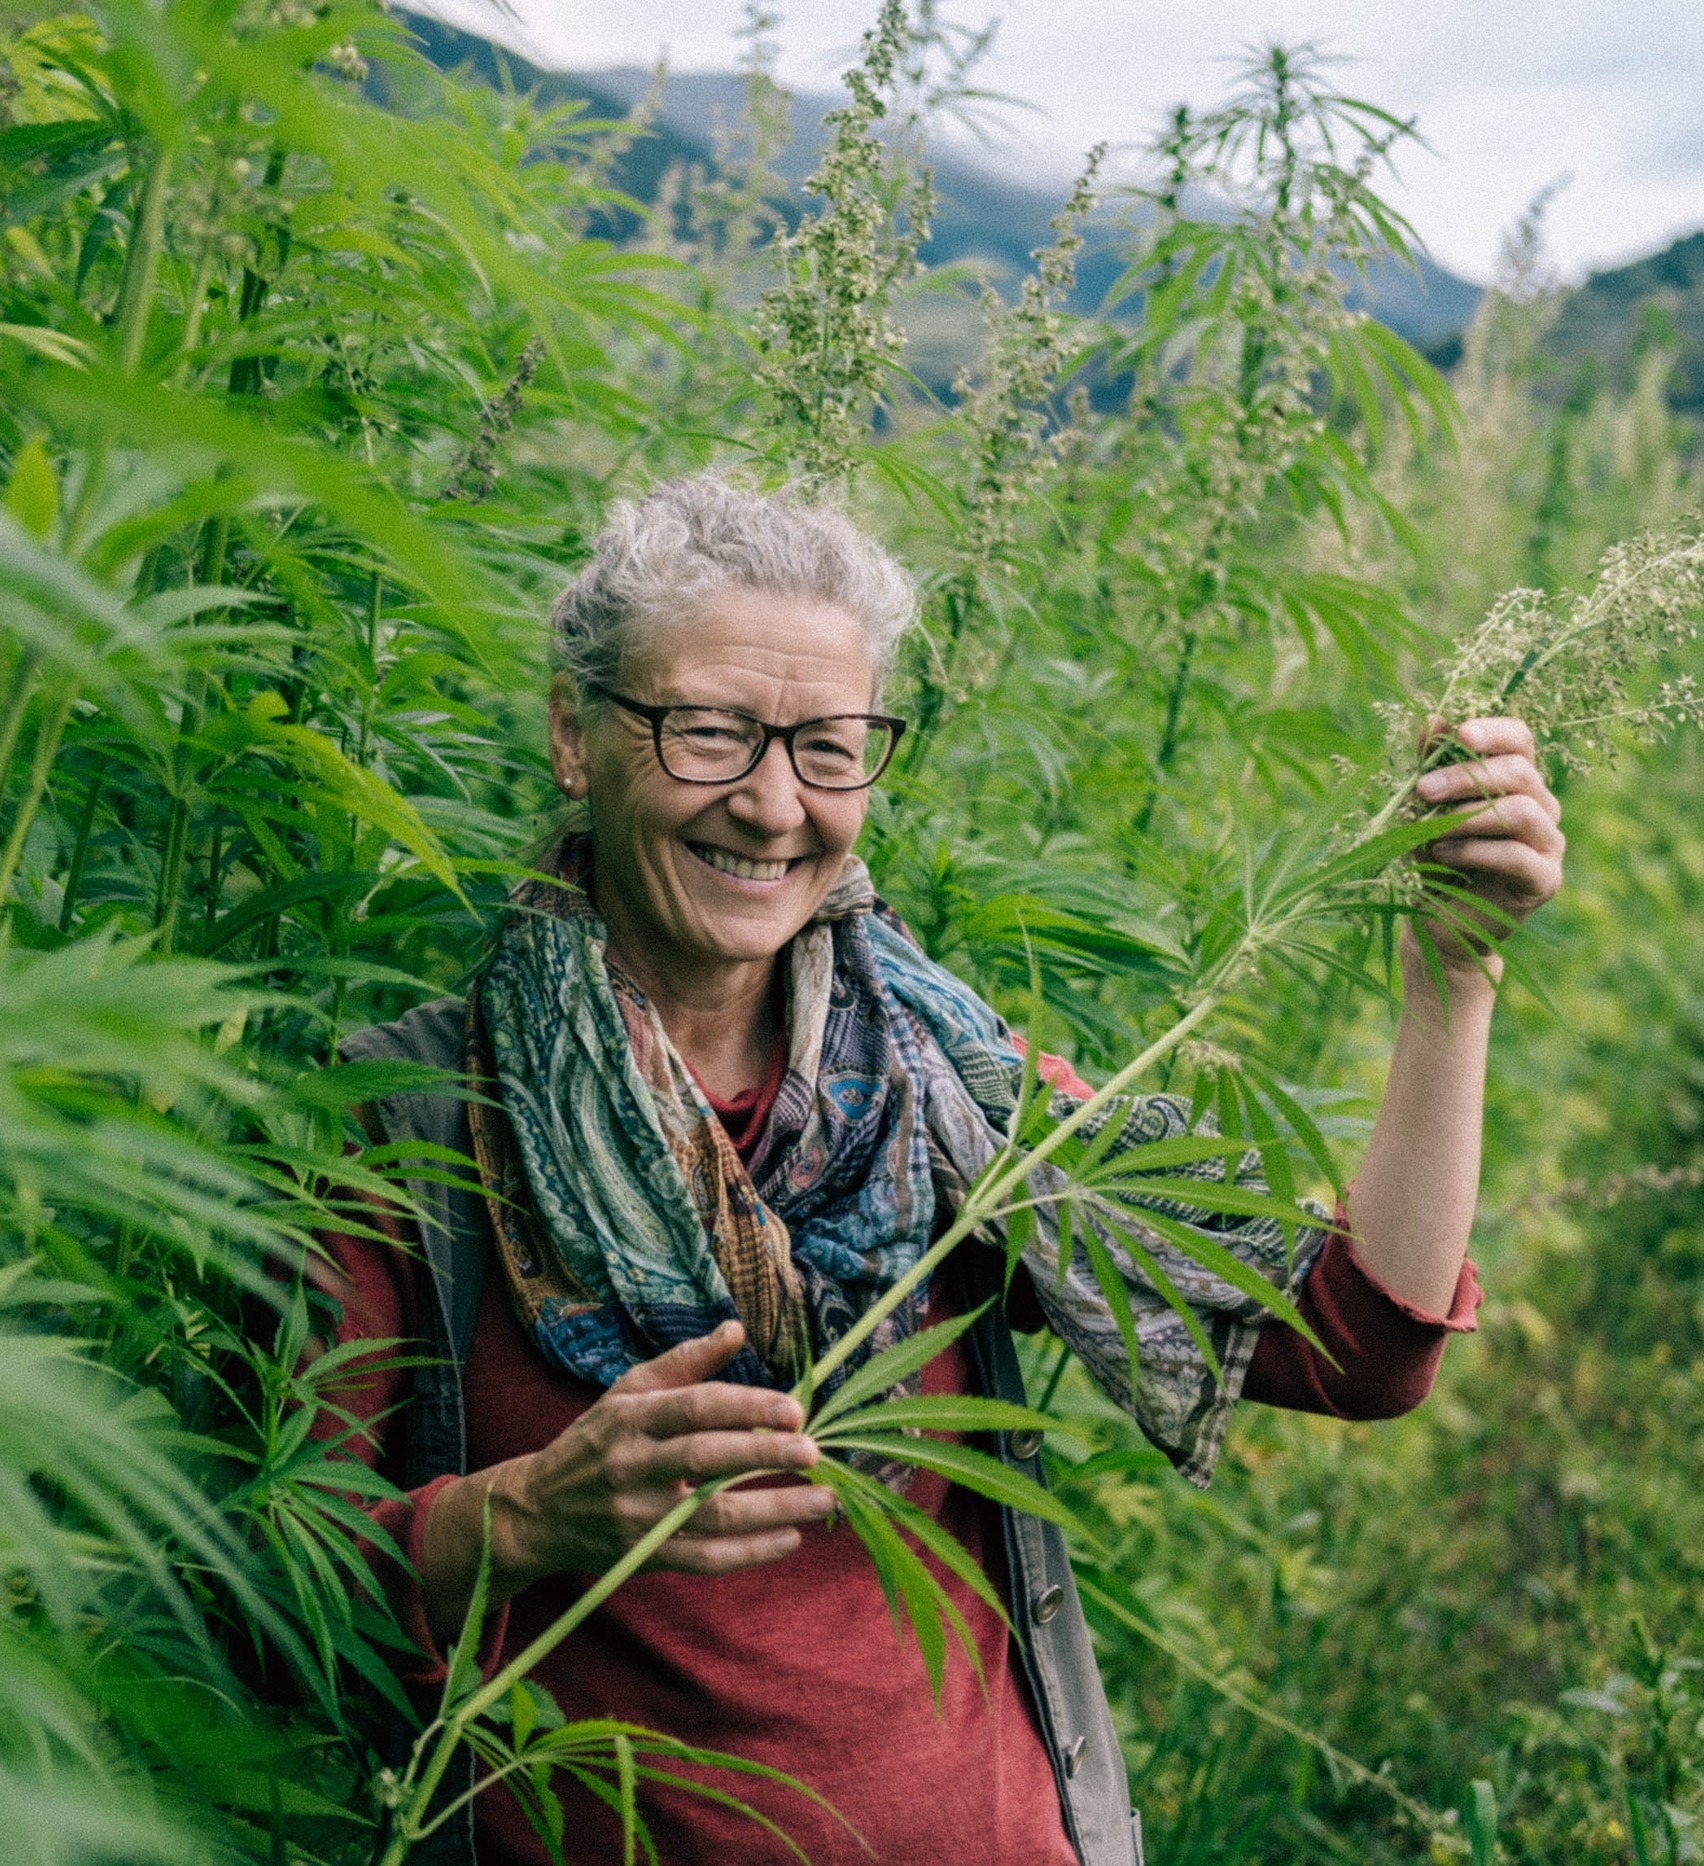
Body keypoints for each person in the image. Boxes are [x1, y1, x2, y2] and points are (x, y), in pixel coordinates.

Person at [320, 475, 1564, 1865]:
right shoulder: (416, 1123)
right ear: (575, 733)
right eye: (711, 730)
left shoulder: (947, 1092)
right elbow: (273, 1583)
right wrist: (521, 1515)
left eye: (829, 748)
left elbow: (1355, 1346)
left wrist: (1452, 974)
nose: (773, 803)